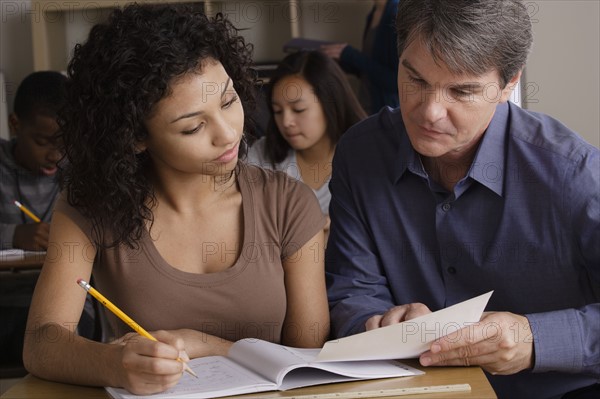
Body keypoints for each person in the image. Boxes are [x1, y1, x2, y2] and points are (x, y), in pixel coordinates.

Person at [23, 4, 329, 395]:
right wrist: (111, 364)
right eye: (193, 126)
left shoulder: (289, 204)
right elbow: (41, 343)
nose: (228, 134)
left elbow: (308, 363)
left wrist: (209, 346)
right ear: (135, 138)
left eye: (228, 100)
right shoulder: (91, 206)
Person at [325, 0, 599, 398]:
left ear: (509, 84)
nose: (430, 112)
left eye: (462, 90)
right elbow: (351, 289)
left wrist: (535, 340)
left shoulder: (574, 172)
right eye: (415, 79)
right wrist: (377, 323)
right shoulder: (361, 153)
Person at [247, 51, 366, 237]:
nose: (286, 121)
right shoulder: (261, 155)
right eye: (277, 111)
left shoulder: (366, 157)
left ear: (330, 103)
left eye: (298, 109)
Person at [0, 71, 65, 250]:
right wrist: (13, 236)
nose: (56, 156)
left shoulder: (78, 168)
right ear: (15, 125)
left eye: (66, 144)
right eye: (42, 142)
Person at [320, 0, 399, 114]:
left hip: (384, 115)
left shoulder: (395, 14)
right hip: (366, 108)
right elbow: (369, 68)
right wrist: (341, 60)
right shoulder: (373, 14)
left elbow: (396, 81)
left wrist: (350, 55)